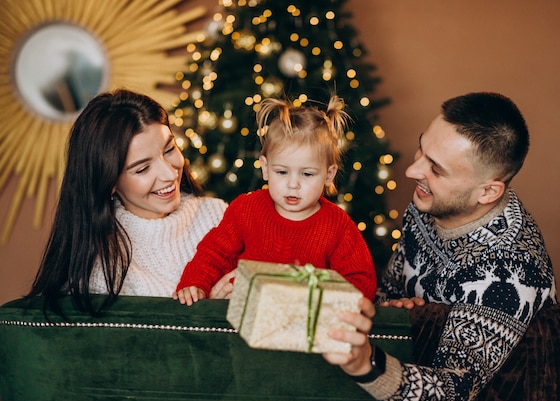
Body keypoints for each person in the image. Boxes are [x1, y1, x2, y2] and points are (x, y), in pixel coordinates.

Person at [323, 92, 558, 401]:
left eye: (437, 169)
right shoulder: (429, 203)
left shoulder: (509, 272)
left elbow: (450, 400)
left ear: (488, 191)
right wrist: (393, 308)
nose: (413, 170)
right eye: (423, 148)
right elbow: (389, 290)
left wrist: (366, 363)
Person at [26, 89, 228, 316]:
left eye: (170, 149)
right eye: (142, 168)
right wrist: (209, 310)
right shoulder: (101, 270)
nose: (169, 174)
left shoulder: (220, 215)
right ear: (109, 181)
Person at [173, 95, 377, 305]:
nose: (293, 184)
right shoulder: (247, 209)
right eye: (281, 172)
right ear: (265, 167)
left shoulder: (337, 226)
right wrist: (195, 284)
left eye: (307, 174)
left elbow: (362, 282)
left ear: (329, 174)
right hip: (244, 318)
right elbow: (214, 254)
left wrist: (313, 294)